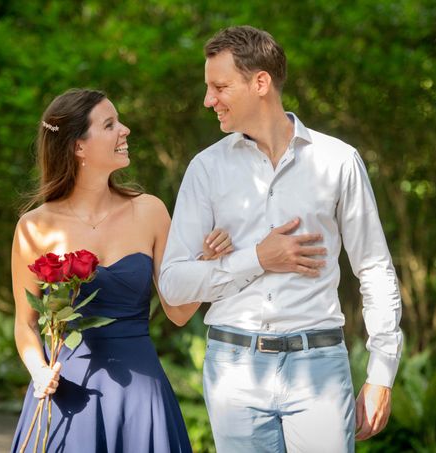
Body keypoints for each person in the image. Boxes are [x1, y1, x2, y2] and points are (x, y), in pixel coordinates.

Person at [159, 26, 403, 453]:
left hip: (320, 366)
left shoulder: (338, 160)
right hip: (233, 368)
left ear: (260, 82)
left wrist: (382, 373)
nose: (208, 100)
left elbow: (374, 268)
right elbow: (174, 284)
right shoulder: (206, 169)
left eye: (219, 87)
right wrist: (258, 257)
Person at [10, 88, 233, 453]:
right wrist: (38, 370)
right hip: (67, 393)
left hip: (141, 396)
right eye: (110, 124)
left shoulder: (151, 212)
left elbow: (177, 313)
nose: (125, 130)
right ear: (78, 146)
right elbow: (26, 324)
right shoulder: (34, 227)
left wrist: (207, 267)